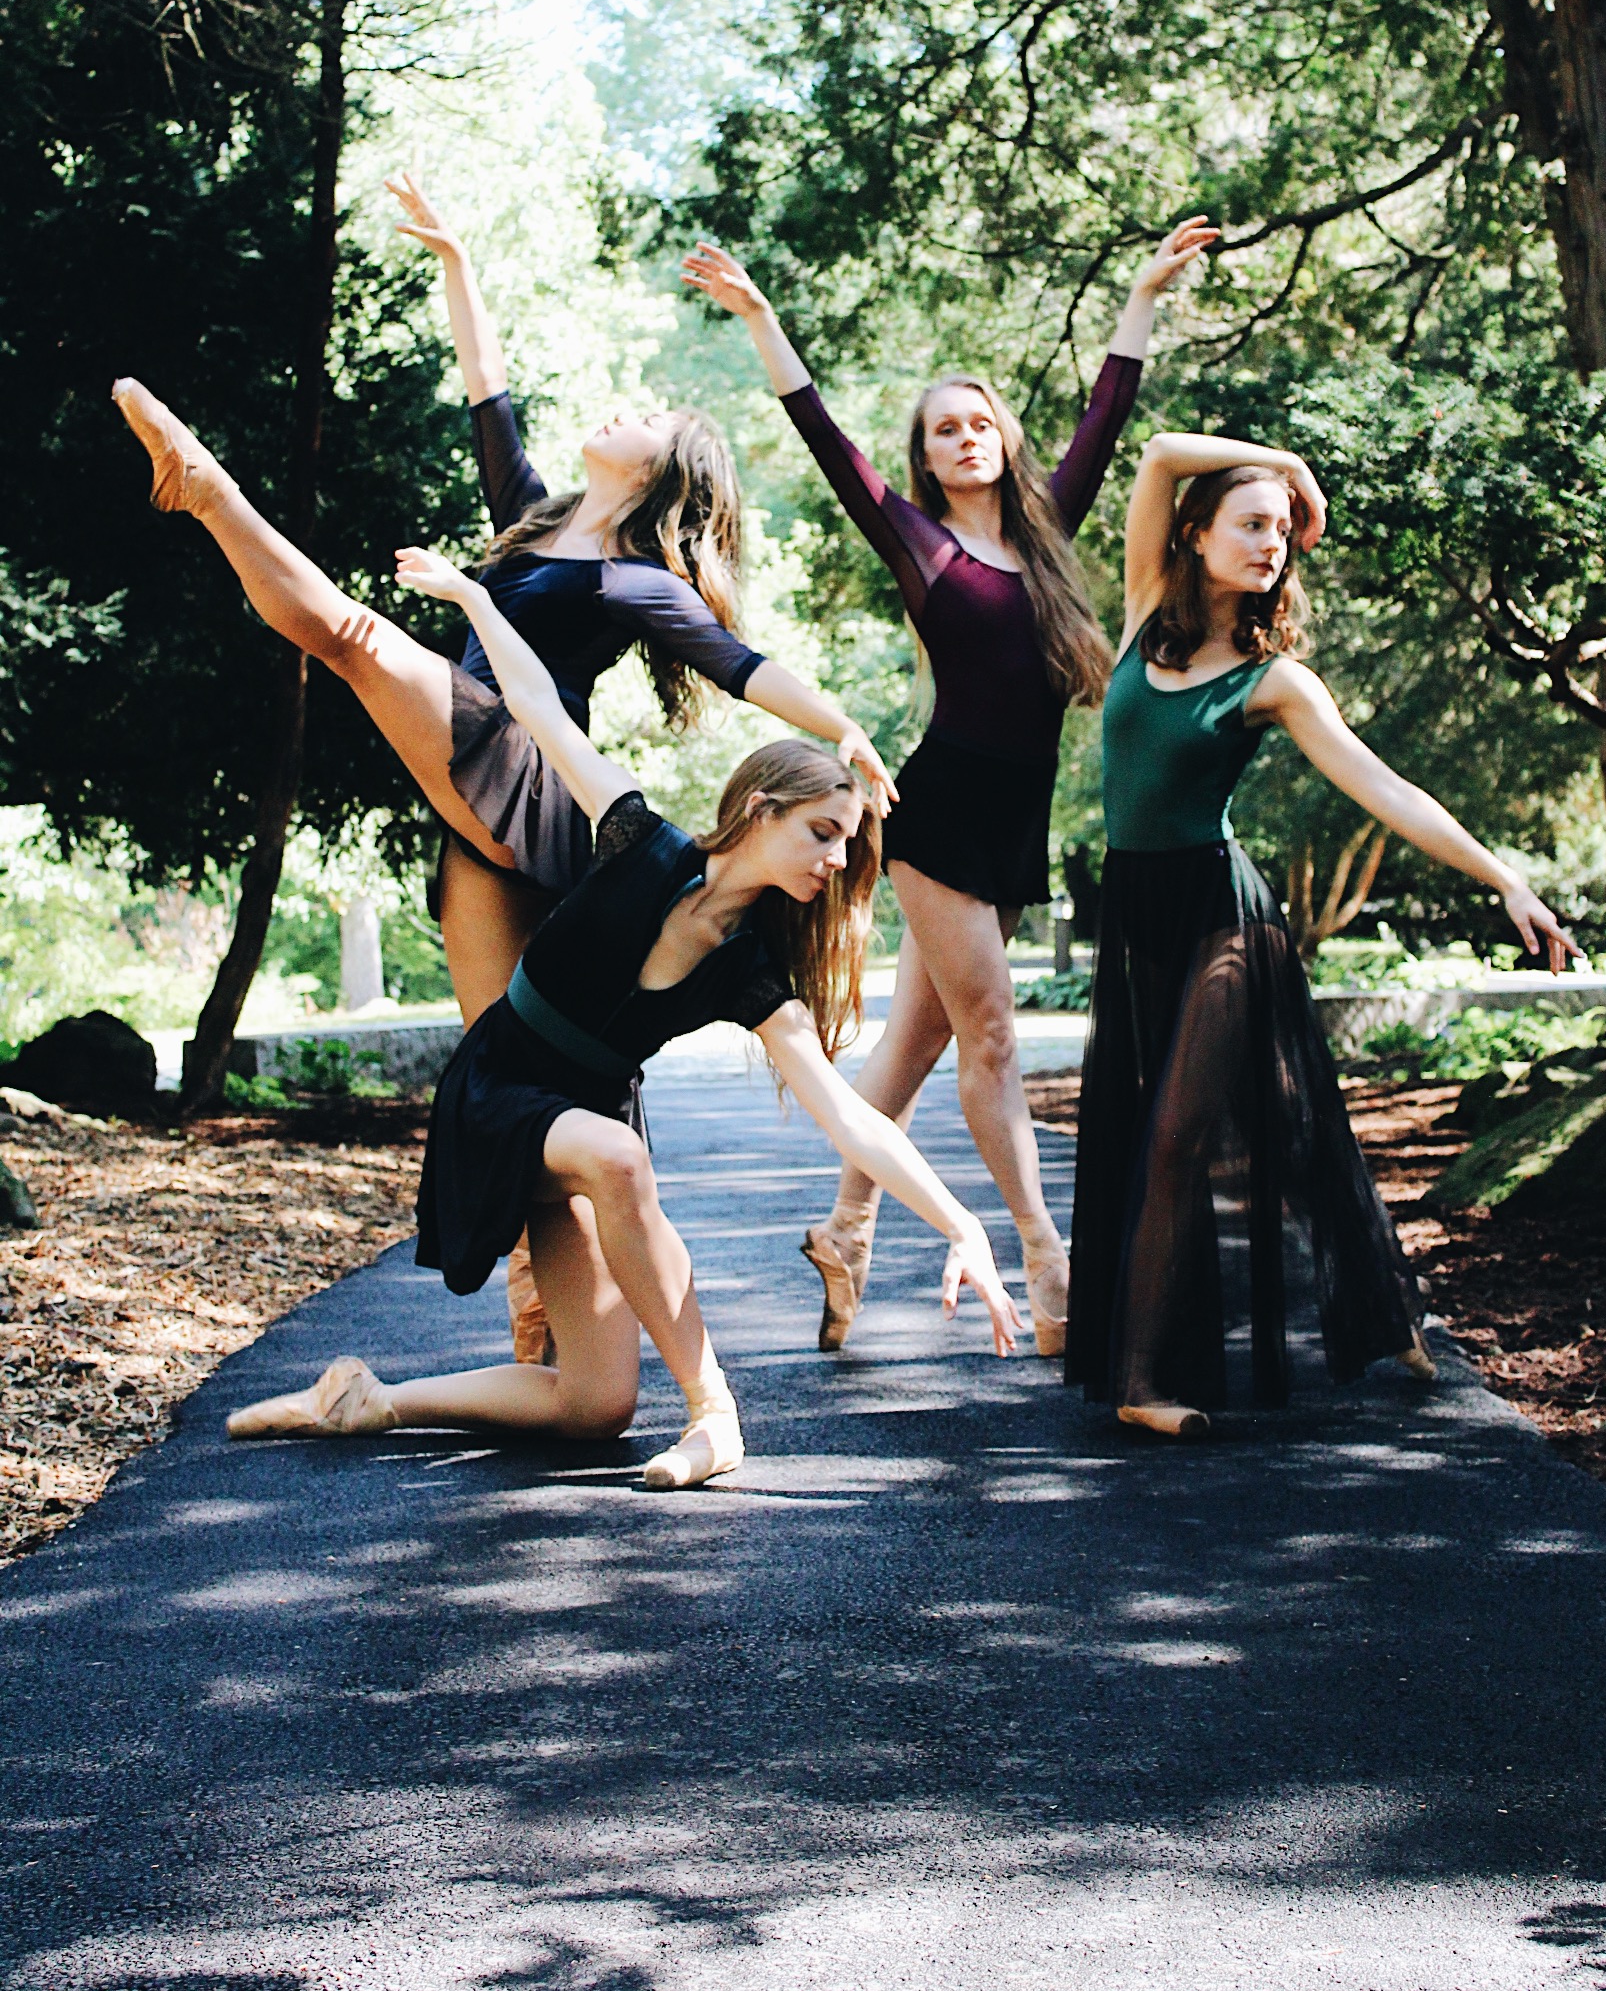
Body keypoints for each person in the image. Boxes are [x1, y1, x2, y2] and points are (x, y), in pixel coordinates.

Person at [113, 172, 889, 1358]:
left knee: (356, 636)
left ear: (667, 471)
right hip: (486, 807)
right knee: (518, 1072)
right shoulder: (532, 520)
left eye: (650, 415)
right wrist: (459, 264)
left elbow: (743, 665)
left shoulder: (636, 580)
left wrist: (842, 728)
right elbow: (490, 388)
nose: (626, 408)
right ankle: (549, 1327)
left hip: (529, 777)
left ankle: (206, 490)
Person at [226, 545, 1020, 1488]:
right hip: (500, 1091)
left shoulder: (750, 974)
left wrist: (963, 1225)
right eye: (823, 832)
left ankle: (369, 1401)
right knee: (619, 1157)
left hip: (588, 1125)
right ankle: (716, 1414)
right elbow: (538, 709)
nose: (838, 861)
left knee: (593, 1405)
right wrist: (475, 599)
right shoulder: (642, 840)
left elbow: (850, 1119)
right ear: (759, 809)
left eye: (848, 845)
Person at [684, 223, 1218, 1360]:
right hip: (939, 817)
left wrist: (1141, 294)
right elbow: (824, 438)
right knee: (994, 1038)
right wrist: (763, 320)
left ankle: (845, 1231)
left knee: (916, 1049)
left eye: (980, 423)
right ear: (925, 460)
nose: (966, 438)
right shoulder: (920, 544)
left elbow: (1107, 413)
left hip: (1014, 823)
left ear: (1003, 439)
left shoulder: (1049, 534)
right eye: (944, 430)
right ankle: (1045, 1257)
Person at [1067, 426, 1580, 1438]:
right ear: (1196, 535)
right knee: (1293, 1127)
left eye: (1282, 529)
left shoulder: (1274, 681)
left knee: (1177, 1133)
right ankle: (1386, 1311)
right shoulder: (1142, 614)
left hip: (1222, 917)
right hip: (1137, 914)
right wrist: (1292, 467)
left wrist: (1505, 879)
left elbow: (1385, 789)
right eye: (1251, 524)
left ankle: (1141, 1381)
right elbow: (1161, 451)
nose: (1271, 543)